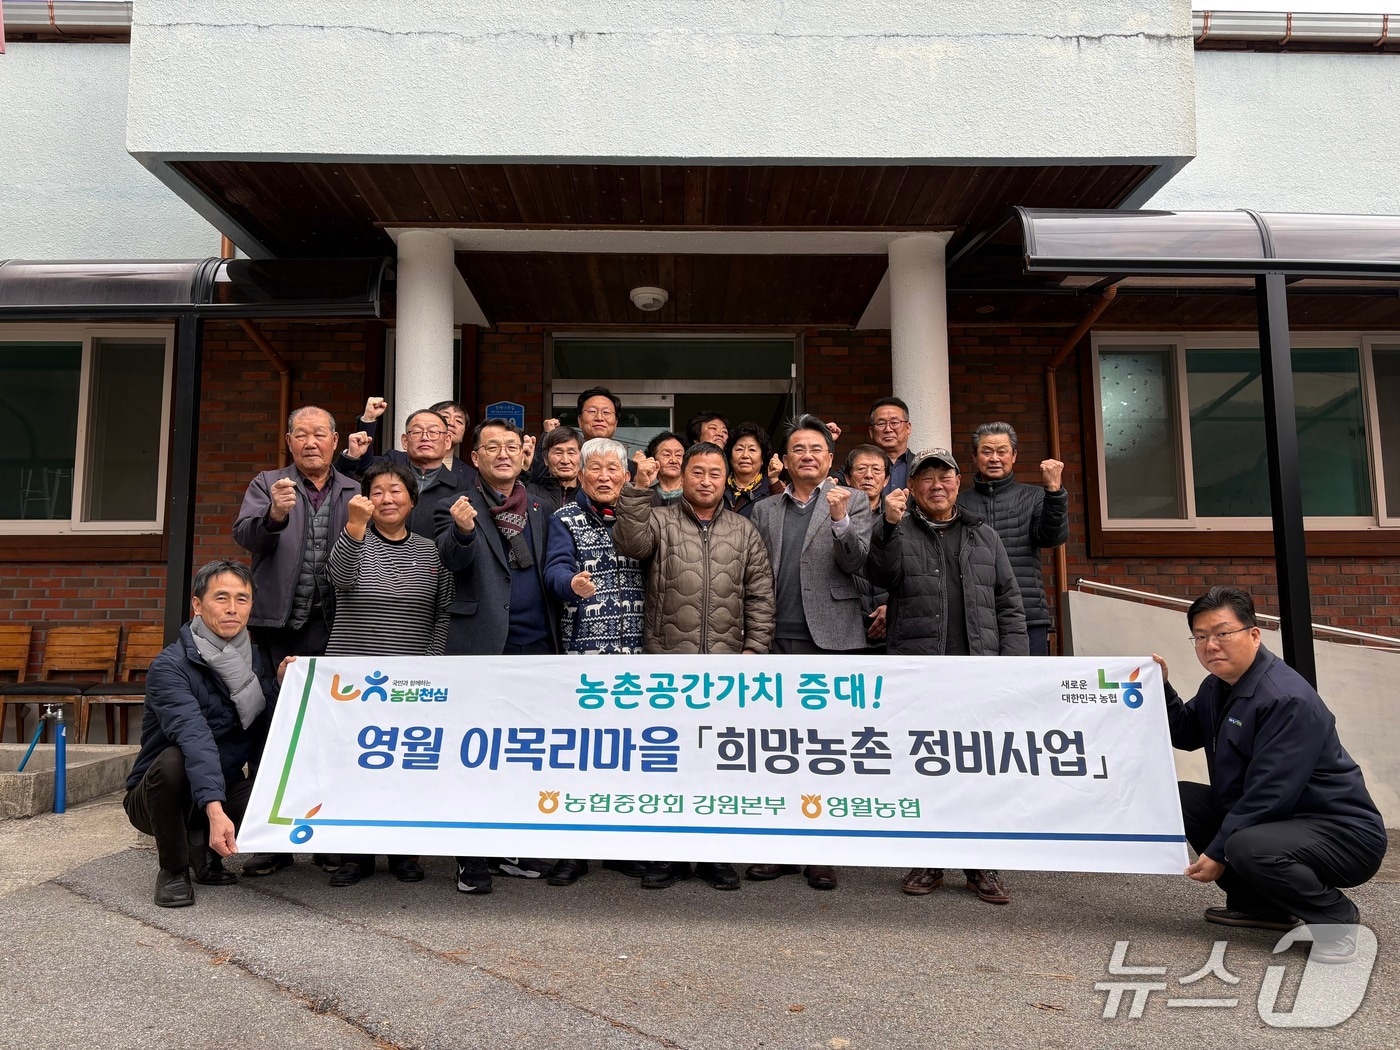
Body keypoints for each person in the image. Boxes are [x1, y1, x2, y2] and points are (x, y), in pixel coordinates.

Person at [1152, 587, 1386, 964]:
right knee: (1181, 799)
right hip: (1282, 822)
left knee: (1245, 845)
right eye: (1200, 636)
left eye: (1222, 633)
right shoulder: (1219, 686)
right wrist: (1159, 687)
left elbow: (1271, 793)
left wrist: (1217, 850)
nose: (1211, 645)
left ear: (1254, 635)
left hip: (1342, 833)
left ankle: (1336, 920)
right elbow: (1186, 732)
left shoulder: (1285, 698)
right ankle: (1262, 908)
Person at [866, 446, 1027, 905]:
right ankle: (930, 859)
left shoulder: (984, 536)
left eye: (946, 478)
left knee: (978, 768)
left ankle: (982, 865)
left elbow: (1009, 607)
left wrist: (1012, 671)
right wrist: (889, 525)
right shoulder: (900, 530)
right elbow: (880, 572)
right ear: (913, 488)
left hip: (978, 674)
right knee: (927, 766)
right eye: (927, 479)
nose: (937, 486)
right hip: (921, 674)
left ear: (958, 483)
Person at [614, 441, 776, 891]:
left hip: (727, 668)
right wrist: (637, 492)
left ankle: (715, 856)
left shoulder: (744, 530)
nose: (706, 480)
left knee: (717, 767)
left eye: (715, 474)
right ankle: (665, 856)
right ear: (682, 476)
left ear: (727, 481)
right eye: (698, 472)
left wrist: (755, 650)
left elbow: (760, 594)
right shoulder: (661, 520)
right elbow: (629, 542)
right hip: (668, 664)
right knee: (670, 766)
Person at [747, 416, 872, 892]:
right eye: (798, 448)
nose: (807, 455)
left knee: (824, 750)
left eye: (816, 448)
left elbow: (858, 563)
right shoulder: (765, 508)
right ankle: (780, 847)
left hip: (833, 638)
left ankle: (822, 851)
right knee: (778, 748)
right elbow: (755, 574)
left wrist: (840, 520)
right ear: (786, 458)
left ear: (829, 457)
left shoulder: (854, 500)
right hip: (776, 637)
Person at [435, 418, 559, 895]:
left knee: (525, 751)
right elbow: (452, 560)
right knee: (477, 752)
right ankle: (471, 857)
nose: (503, 454)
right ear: (475, 457)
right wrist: (464, 532)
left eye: (512, 446)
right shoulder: (456, 506)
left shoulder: (543, 507)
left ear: (523, 455)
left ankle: (512, 844)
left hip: (537, 645)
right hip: (481, 644)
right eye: (493, 447)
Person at [123, 560, 287, 907]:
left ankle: (200, 844)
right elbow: (194, 738)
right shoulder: (170, 667)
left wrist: (280, 688)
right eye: (221, 598)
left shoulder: (252, 659)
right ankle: (173, 869)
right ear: (197, 605)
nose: (232, 609)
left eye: (242, 599)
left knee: (278, 799)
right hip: (158, 796)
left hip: (220, 782)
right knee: (173, 761)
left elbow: (262, 728)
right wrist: (214, 810)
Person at [319, 460, 452, 887]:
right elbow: (338, 578)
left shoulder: (431, 551)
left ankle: (404, 853)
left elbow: (444, 613)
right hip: (355, 679)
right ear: (364, 499)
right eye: (377, 491)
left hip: (410, 681)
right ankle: (355, 855)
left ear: (412, 500)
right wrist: (354, 529)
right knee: (355, 765)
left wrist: (428, 663)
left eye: (397, 491)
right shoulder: (353, 538)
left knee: (404, 767)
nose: (387, 499)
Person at [541, 437, 646, 887]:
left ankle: (626, 848)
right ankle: (574, 850)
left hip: (641, 655)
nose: (604, 476)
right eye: (595, 469)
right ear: (580, 476)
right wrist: (572, 585)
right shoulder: (564, 518)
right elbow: (553, 570)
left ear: (627, 476)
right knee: (583, 756)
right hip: (585, 656)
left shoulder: (645, 513)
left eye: (612, 469)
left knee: (633, 756)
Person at [233, 406, 360, 674]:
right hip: (279, 621)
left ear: (335, 441)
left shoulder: (355, 490)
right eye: (301, 435)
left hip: (338, 623)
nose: (311, 443)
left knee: (331, 700)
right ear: (289, 442)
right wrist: (274, 514)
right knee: (278, 698)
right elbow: (245, 536)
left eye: (319, 434)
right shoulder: (268, 483)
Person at [956, 422, 1068, 656]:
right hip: (973, 617)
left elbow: (1052, 538)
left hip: (1028, 615)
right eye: (987, 451)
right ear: (975, 456)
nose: (994, 458)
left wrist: (1054, 492)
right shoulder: (959, 502)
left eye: (1002, 451)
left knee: (1029, 688)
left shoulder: (1035, 496)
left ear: (1014, 455)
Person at [336, 407, 470, 538]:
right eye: (417, 432)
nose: (425, 438)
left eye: (433, 432)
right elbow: (343, 481)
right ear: (405, 441)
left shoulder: (462, 489)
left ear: (447, 441)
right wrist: (352, 456)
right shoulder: (386, 471)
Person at [844, 444, 890, 649]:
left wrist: (893, 608)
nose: (869, 476)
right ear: (847, 478)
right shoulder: (831, 518)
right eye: (861, 469)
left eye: (876, 470)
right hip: (844, 627)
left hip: (891, 629)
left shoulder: (901, 520)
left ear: (886, 479)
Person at [723, 422, 783, 518]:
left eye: (752, 450)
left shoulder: (771, 489)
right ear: (730, 456)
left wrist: (775, 481)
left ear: (762, 458)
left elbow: (783, 518)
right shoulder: (719, 486)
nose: (745, 455)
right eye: (739, 449)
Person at [867, 397, 916, 495]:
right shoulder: (857, 468)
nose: (888, 429)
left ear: (908, 428)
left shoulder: (921, 466)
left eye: (894, 423)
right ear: (871, 432)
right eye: (881, 423)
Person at [533, 425, 583, 511]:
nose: (565, 460)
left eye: (571, 453)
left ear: (581, 458)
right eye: (558, 453)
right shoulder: (530, 493)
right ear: (545, 459)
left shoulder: (589, 497)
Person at [644, 430, 686, 505]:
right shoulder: (646, 496)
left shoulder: (693, 494)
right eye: (667, 455)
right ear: (653, 460)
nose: (673, 460)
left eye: (678, 455)